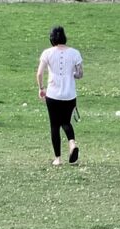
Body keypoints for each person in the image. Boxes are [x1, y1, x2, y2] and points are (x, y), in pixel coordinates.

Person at [36, 26, 83, 166]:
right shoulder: (75, 53)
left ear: (52, 38)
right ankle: (72, 143)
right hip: (69, 94)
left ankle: (57, 158)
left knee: (54, 126)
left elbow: (39, 73)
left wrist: (41, 88)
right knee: (66, 122)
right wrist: (72, 74)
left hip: (53, 94)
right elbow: (80, 74)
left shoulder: (47, 53)